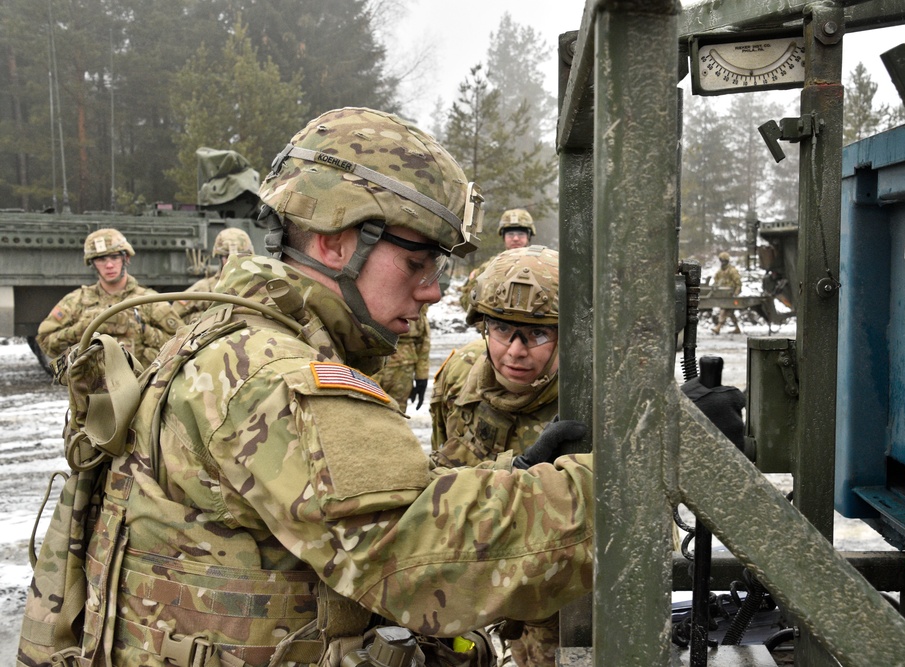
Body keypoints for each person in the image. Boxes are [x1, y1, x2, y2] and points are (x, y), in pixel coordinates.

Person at [34, 108, 594, 667]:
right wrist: (613, 486)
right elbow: (424, 563)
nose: (431, 292)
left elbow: (364, 506)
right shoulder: (279, 379)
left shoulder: (227, 333)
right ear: (335, 243)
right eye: (418, 262)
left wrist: (512, 479)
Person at [430, 245, 563, 667]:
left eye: (538, 333)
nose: (515, 351)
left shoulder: (596, 398)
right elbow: (437, 476)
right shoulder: (457, 377)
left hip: (560, 601)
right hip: (475, 587)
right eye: (502, 329)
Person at [36, 228, 181, 367]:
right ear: (92, 263)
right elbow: (45, 342)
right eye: (101, 259)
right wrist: (85, 328)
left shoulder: (149, 301)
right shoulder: (76, 302)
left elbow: (183, 343)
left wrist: (139, 329)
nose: (109, 265)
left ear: (126, 258)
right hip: (91, 390)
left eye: (115, 257)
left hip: (141, 387)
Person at [459, 208, 536, 311]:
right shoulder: (487, 268)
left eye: (521, 234)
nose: (515, 238)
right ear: (503, 237)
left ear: (529, 236)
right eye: (510, 234)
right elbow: (466, 302)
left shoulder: (544, 266)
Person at [173, 226, 255, 323]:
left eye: (240, 256)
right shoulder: (205, 288)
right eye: (227, 256)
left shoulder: (259, 284)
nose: (234, 261)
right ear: (219, 258)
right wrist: (204, 319)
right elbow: (174, 318)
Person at [373, 302, 432, 411]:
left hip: (401, 371)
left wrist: (421, 378)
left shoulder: (413, 294)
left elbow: (422, 340)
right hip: (369, 364)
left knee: (395, 416)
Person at [711, 251, 743, 334]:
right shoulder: (719, 272)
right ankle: (737, 328)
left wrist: (736, 293)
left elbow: (738, 283)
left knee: (724, 310)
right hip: (723, 295)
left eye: (724, 261)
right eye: (721, 261)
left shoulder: (732, 271)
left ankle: (718, 327)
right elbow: (716, 282)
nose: (723, 263)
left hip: (730, 295)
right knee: (730, 313)